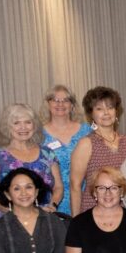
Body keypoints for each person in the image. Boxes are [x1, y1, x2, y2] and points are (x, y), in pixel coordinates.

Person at [0, 104, 62, 217]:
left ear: (34, 126)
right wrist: (15, 214)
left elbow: (58, 187)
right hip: (11, 222)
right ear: (7, 127)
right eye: (16, 123)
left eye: (28, 122)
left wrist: (52, 205)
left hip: (44, 219)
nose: (23, 127)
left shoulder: (47, 153)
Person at [69, 86, 126, 214]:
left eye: (110, 107)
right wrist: (76, 221)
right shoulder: (86, 144)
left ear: (116, 111)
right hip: (94, 212)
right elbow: (75, 186)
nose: (106, 113)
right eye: (99, 109)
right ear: (91, 114)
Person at [41, 85, 93, 215]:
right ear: (48, 104)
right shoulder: (38, 135)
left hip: (85, 197)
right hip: (52, 202)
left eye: (66, 100)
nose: (60, 104)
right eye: (55, 100)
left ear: (72, 105)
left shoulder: (87, 131)